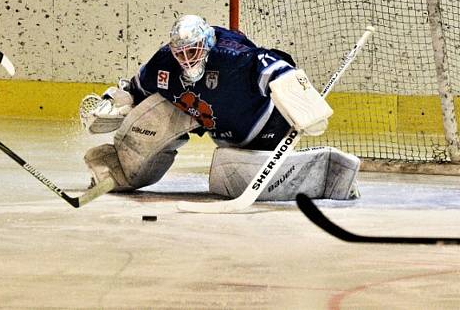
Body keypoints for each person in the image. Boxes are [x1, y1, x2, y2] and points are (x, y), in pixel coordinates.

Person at [79, 14, 360, 201]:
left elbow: (278, 67)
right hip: (217, 127)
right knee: (154, 111)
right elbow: (137, 88)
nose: (186, 59)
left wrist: (302, 102)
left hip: (265, 129)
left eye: (193, 51)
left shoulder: (232, 56)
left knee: (228, 177)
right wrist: (119, 103)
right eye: (181, 52)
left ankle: (328, 174)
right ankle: (116, 172)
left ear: (208, 43)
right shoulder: (165, 63)